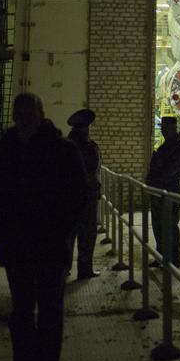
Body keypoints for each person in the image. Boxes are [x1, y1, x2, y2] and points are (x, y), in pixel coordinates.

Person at [0, 92, 87, 361]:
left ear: (40, 115)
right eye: (20, 114)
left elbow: (78, 197)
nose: (24, 119)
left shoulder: (61, 150)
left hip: (48, 247)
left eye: (28, 113)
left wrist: (61, 234)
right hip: (18, 247)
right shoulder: (6, 150)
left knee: (49, 314)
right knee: (21, 313)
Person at [145, 116, 180, 268]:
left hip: (169, 190)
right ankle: (161, 255)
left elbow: (169, 170)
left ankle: (174, 258)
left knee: (169, 225)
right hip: (160, 191)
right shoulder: (170, 144)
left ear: (173, 128)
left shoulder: (178, 145)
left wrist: (156, 182)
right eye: (162, 128)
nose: (163, 131)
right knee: (159, 225)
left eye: (165, 128)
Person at [65, 108, 102, 279]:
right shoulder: (88, 148)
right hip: (86, 196)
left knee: (68, 234)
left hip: (68, 197)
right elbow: (93, 170)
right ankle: (85, 269)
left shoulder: (65, 146)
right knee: (87, 234)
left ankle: (64, 269)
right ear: (85, 129)